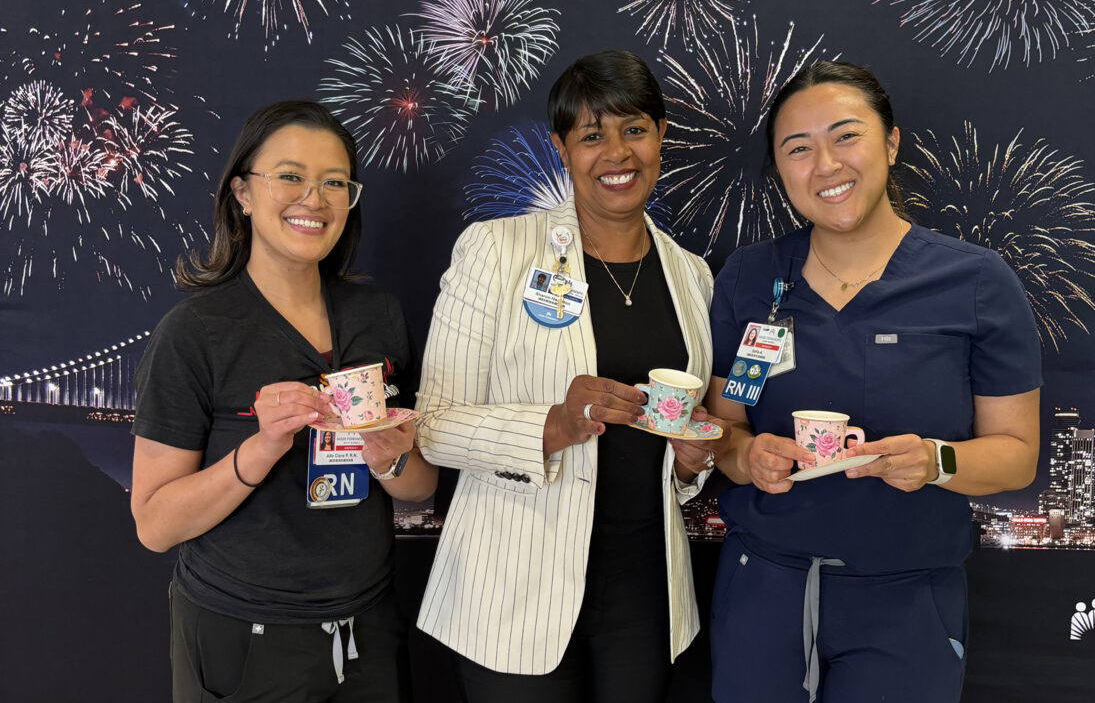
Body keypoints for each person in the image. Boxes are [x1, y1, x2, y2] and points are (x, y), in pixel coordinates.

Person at [704, 61, 1041, 702]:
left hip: (906, 603)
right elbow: (725, 424)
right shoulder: (751, 277)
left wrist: (934, 461)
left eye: (846, 136)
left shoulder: (974, 282)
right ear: (780, 170)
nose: (825, 165)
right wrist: (745, 455)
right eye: (797, 149)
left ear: (890, 142)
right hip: (762, 592)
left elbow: (1017, 456)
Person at [416, 50, 724, 702]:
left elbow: (682, 466)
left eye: (634, 129)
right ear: (562, 149)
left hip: (645, 591)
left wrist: (693, 465)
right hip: (515, 588)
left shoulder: (693, 276)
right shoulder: (498, 250)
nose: (617, 152)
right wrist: (551, 424)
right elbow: (435, 428)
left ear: (661, 135)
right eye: (592, 135)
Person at [129, 101, 437, 703]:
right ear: (242, 193)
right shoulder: (195, 331)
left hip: (368, 628)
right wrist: (261, 449)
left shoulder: (379, 316)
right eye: (290, 176)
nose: (314, 199)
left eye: (334, 183)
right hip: (243, 635)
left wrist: (389, 457)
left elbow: (419, 487)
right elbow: (155, 526)